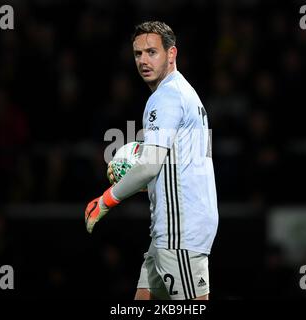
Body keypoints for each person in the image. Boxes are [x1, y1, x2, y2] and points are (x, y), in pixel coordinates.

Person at [84, 21, 219, 300]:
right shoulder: (185, 92)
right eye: (138, 54)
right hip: (171, 229)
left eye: (152, 52)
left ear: (172, 54)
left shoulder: (166, 97)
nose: (143, 60)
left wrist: (106, 200)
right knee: (143, 298)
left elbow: (149, 164)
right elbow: (180, 161)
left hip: (180, 230)